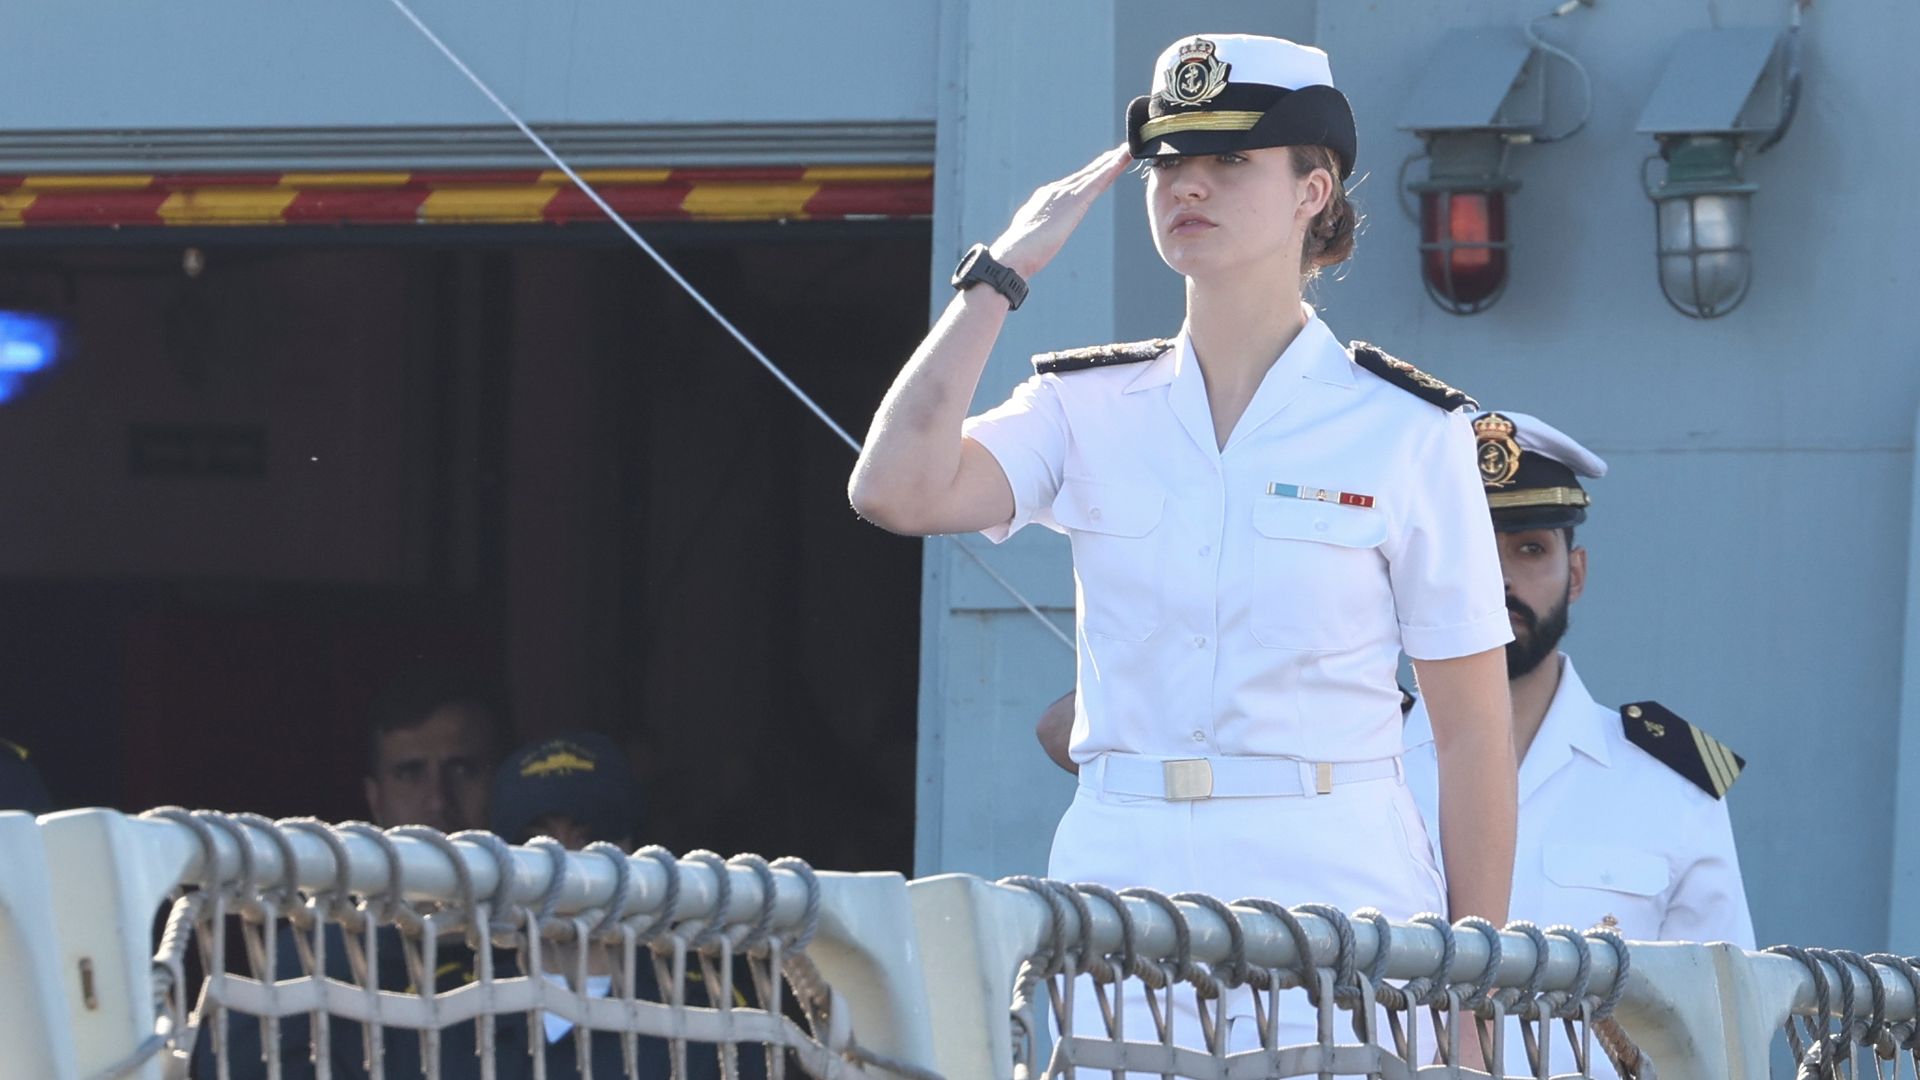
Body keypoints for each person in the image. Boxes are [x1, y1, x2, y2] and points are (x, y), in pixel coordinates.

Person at [849, 32, 1517, 1054]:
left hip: (1334, 882)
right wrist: (1000, 273)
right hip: (1121, 878)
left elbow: (1471, 732)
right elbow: (893, 488)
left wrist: (1475, 1004)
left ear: (1312, 190)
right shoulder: (1085, 407)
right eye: (1169, 162)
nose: (1187, 187)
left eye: (1229, 163)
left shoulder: (1407, 432)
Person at [1399, 410, 1754, 1077]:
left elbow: (1717, 1022)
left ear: (1578, 572)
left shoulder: (1669, 784)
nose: (1499, 580)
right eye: (1473, 549)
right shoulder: (1361, 762)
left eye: (1529, 548)